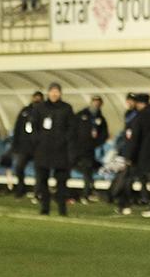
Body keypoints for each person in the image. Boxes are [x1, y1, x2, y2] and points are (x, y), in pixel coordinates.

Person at [31, 82, 74, 215]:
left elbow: (71, 128)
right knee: (42, 180)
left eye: (57, 91)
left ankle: (62, 209)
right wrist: (38, 141)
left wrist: (65, 141)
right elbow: (33, 126)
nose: (54, 94)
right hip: (43, 150)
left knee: (61, 182)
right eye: (52, 91)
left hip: (61, 151)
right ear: (48, 93)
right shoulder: (40, 108)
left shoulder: (66, 108)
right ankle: (45, 208)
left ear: (60, 93)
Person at [125, 94, 150, 217]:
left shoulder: (140, 117)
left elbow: (135, 139)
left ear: (139, 103)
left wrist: (129, 156)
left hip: (145, 153)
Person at [71, 96, 108, 202]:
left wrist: (96, 143)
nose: (96, 105)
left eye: (98, 103)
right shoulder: (81, 115)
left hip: (90, 152)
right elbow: (72, 131)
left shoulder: (101, 119)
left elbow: (104, 134)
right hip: (78, 151)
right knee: (86, 168)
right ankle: (85, 194)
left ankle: (87, 193)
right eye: (94, 102)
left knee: (89, 168)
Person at [11, 91, 44, 198]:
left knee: (39, 170)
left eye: (39, 98)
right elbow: (17, 128)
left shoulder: (45, 112)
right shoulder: (25, 111)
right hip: (24, 147)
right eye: (35, 98)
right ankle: (21, 189)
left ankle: (38, 191)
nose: (37, 100)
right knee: (19, 167)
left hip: (38, 147)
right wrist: (15, 145)